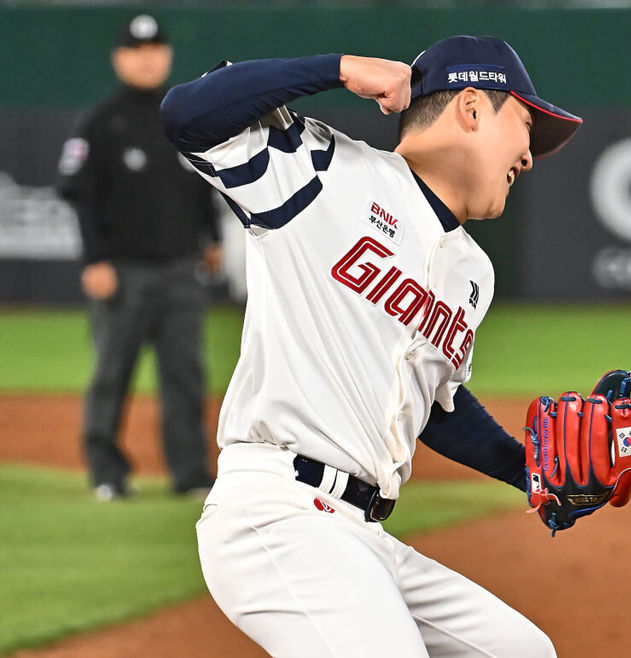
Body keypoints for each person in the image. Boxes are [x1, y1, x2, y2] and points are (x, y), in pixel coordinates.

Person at [160, 36, 581, 656]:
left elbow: (433, 405)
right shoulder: (328, 173)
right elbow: (187, 116)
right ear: (470, 108)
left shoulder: (473, 272)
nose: (530, 156)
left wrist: (532, 473)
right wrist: (335, 68)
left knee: (523, 652)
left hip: (359, 532)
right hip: (278, 512)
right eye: (525, 124)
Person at [58, 14, 222, 501]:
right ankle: (107, 471)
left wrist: (210, 240)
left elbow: (203, 190)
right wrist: (94, 261)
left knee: (185, 377)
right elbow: (79, 195)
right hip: (123, 272)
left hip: (180, 272)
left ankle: (190, 473)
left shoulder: (186, 119)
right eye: (137, 50)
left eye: (155, 49)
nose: (148, 58)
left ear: (167, 56)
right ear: (120, 58)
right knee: (112, 374)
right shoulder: (101, 121)